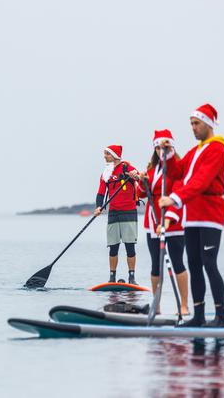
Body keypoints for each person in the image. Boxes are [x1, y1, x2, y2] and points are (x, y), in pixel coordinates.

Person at [159, 104, 224, 327]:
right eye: (191, 124)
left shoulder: (217, 149)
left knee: (209, 263)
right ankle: (199, 315)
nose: (193, 128)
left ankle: (221, 317)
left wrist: (175, 199)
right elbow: (179, 171)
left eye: (196, 123)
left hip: (210, 215)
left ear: (208, 124)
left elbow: (201, 181)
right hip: (192, 216)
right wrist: (168, 153)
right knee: (195, 264)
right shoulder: (196, 150)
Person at [136, 130, 189, 315]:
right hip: (152, 223)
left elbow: (177, 196)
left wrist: (166, 223)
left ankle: (183, 306)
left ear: (171, 148)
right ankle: (156, 306)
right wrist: (142, 182)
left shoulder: (177, 169)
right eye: (157, 148)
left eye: (164, 148)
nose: (161, 151)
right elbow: (141, 194)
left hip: (172, 224)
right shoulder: (152, 169)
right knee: (155, 264)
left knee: (177, 262)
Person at [94, 145, 140, 284]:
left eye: (107, 154)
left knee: (130, 246)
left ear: (114, 155)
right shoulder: (106, 173)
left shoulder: (128, 167)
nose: (104, 156)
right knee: (113, 247)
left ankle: (132, 278)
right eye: (104, 154)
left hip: (129, 212)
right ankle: (112, 277)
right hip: (113, 213)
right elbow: (101, 192)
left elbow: (141, 178)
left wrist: (135, 176)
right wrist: (98, 207)